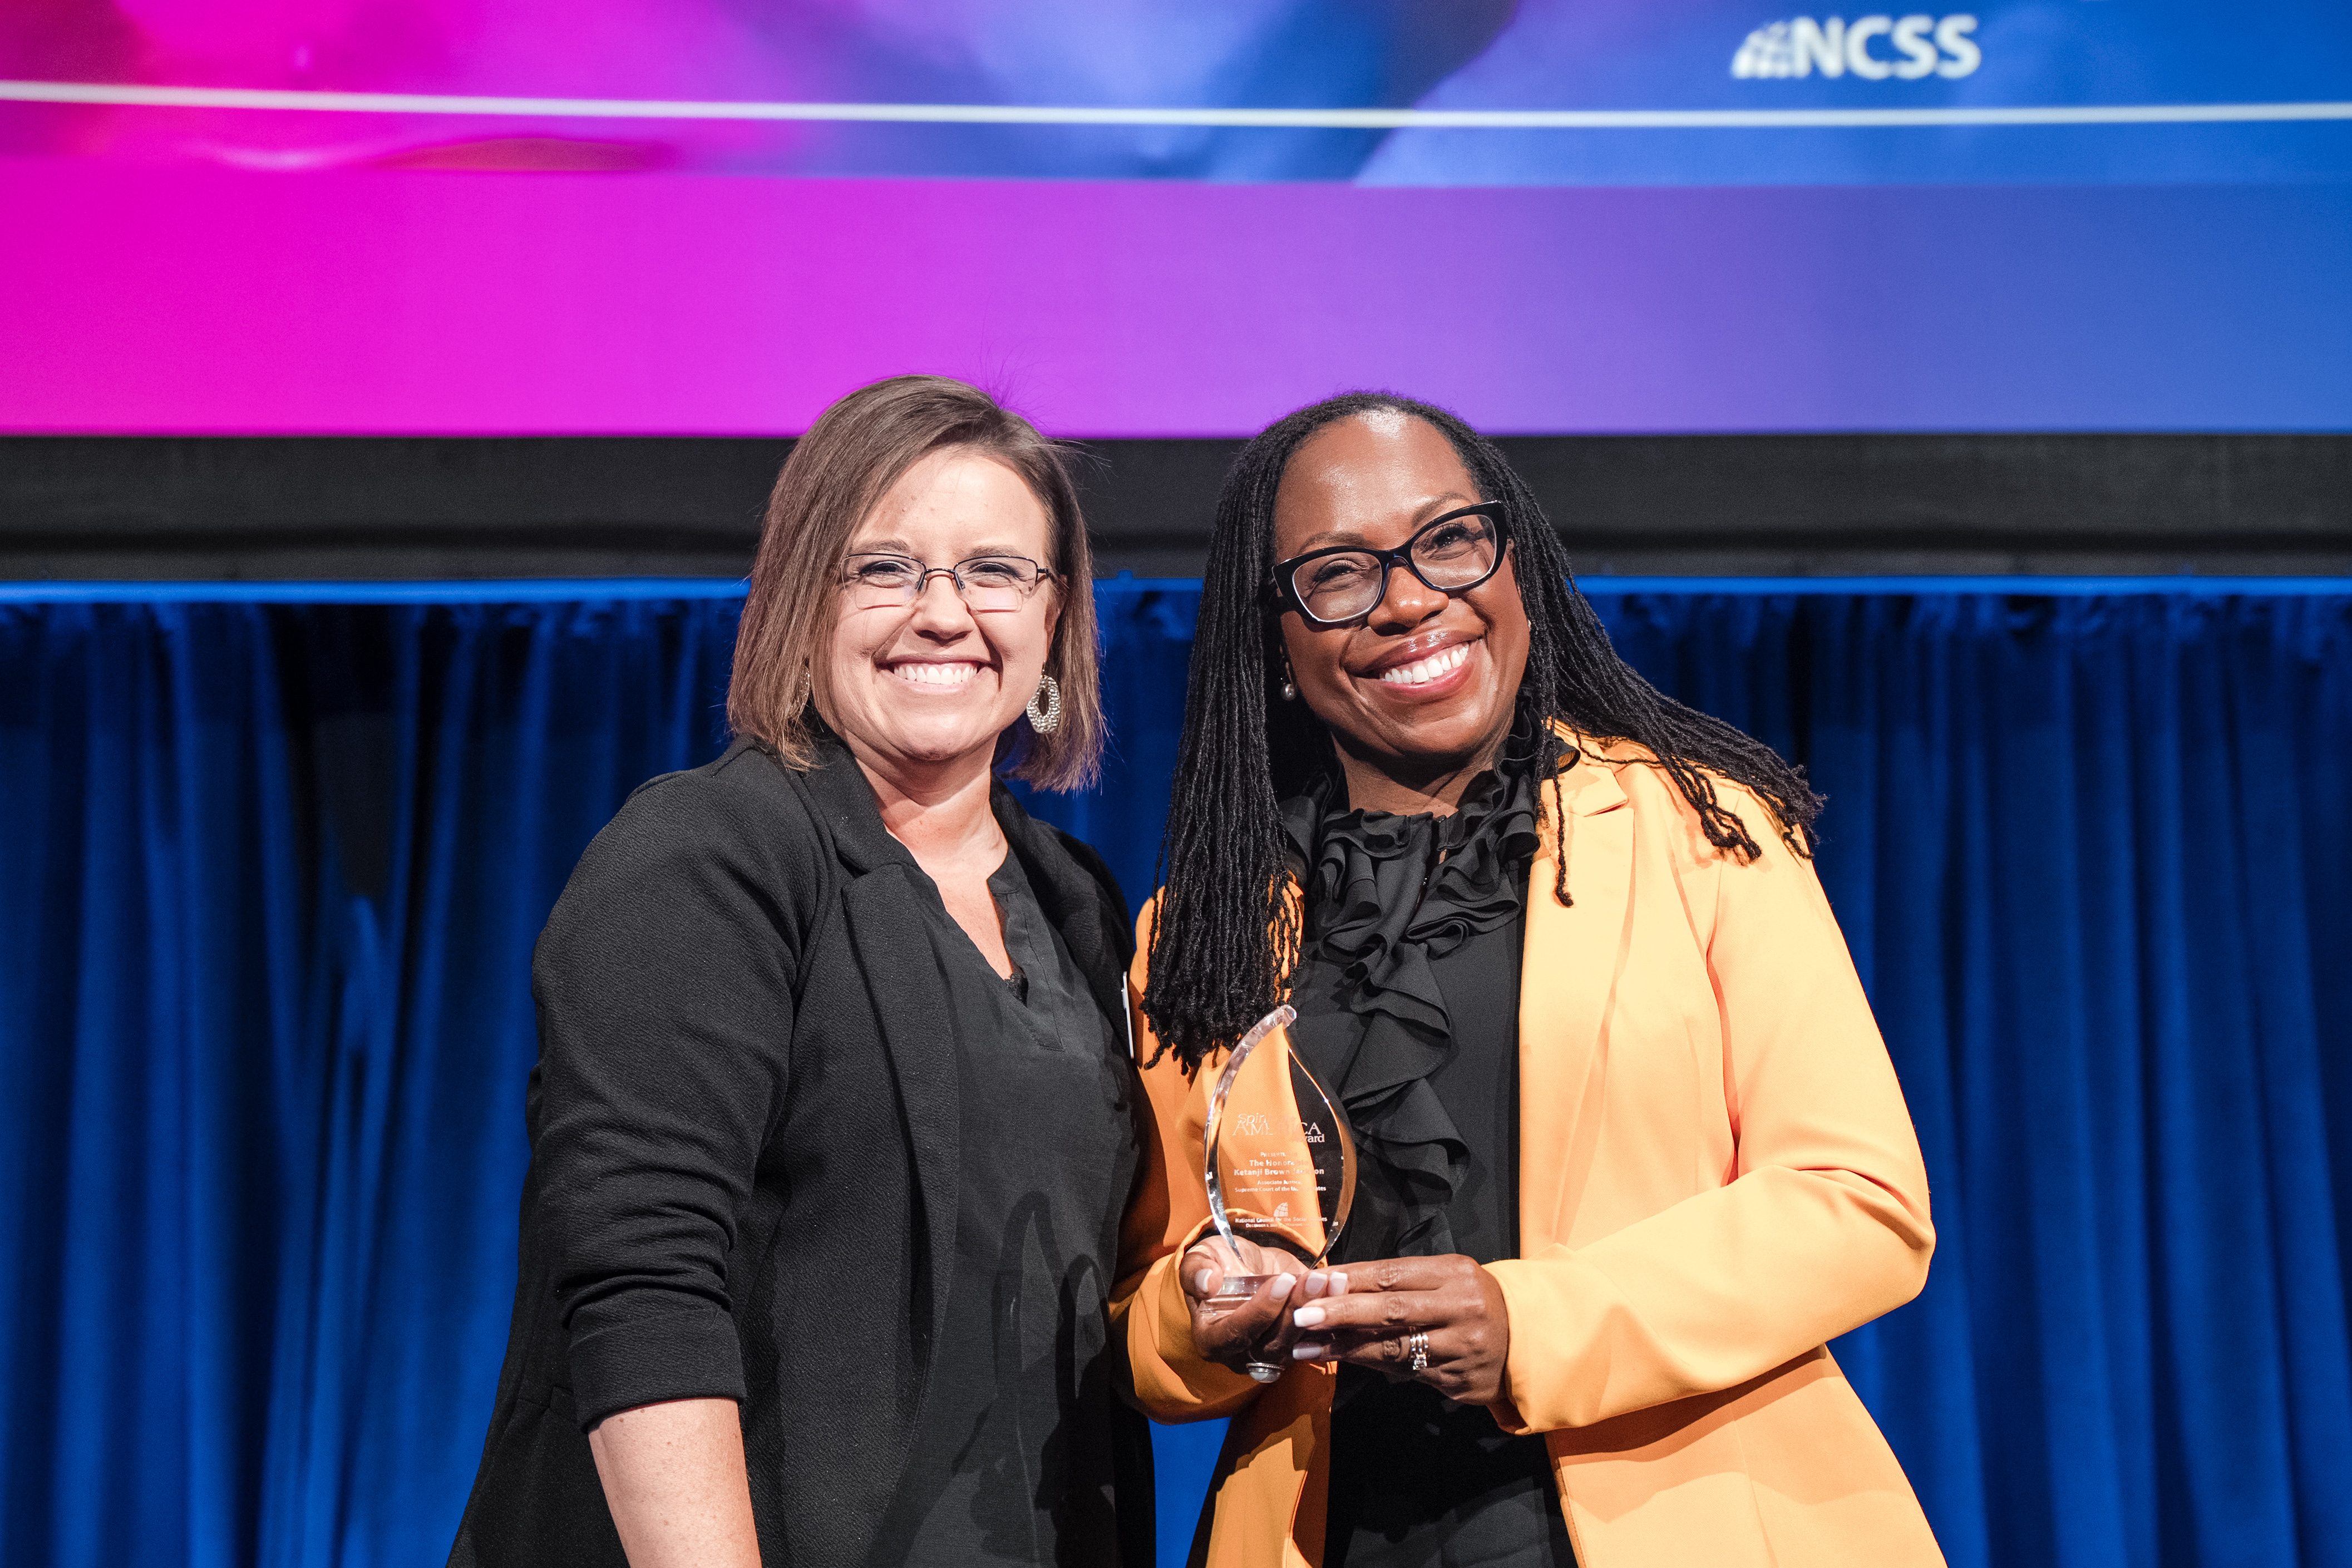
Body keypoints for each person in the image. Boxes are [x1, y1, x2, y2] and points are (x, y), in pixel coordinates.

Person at [1112, 393, 1942, 1567]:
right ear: (1276, 642)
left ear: (1517, 564)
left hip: (1690, 1523)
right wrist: (1205, 1311)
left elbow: (1859, 1202)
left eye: (1449, 540)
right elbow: (1147, 1316)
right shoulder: (1199, 933)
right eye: (1338, 573)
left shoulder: (1699, 829)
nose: (1409, 599)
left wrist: (1531, 1321)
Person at [450, 376, 1153, 1568]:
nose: (943, 613)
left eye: (994, 570)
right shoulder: (706, 854)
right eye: (884, 567)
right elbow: (641, 1280)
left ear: (1054, 618)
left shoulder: (1077, 900)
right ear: (799, 601)